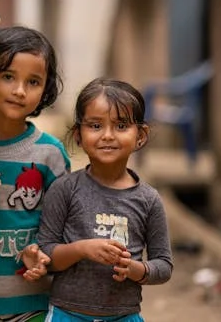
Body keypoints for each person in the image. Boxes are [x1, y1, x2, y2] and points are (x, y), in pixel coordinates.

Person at [22, 78, 173, 322]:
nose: (108, 136)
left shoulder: (149, 200)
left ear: (141, 135)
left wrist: (136, 270)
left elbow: (164, 266)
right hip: (66, 314)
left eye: (121, 126)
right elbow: (46, 254)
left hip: (124, 315)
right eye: (95, 126)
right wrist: (82, 249)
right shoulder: (65, 189)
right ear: (78, 135)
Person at [0, 26, 70, 322]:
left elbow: (64, 228)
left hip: (33, 304)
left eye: (33, 81)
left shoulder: (50, 155)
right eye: (8, 76)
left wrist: (43, 256)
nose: (20, 91)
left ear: (46, 88)